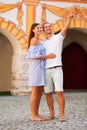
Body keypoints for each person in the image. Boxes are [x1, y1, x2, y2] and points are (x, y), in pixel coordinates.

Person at [43, 14, 74, 121]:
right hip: (46, 70)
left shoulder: (58, 38)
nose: (48, 28)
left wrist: (69, 19)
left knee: (59, 91)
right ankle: (51, 113)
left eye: (49, 26)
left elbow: (65, 29)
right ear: (44, 30)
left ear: (52, 28)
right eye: (46, 27)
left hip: (57, 69)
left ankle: (62, 114)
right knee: (48, 93)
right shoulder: (42, 43)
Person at [27, 23, 56, 121]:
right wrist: (48, 56)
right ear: (33, 30)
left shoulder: (39, 41)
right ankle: (33, 115)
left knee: (39, 92)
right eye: (37, 28)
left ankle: (36, 113)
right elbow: (34, 56)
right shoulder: (34, 40)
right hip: (36, 69)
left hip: (40, 68)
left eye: (40, 28)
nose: (40, 29)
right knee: (35, 92)